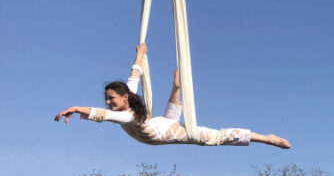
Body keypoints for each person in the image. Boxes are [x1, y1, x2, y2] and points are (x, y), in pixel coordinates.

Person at [55, 43, 291, 149]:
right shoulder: (129, 100)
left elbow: (102, 115)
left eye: (112, 99)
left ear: (124, 98)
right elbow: (134, 75)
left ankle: (267, 138)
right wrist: (140, 54)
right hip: (158, 126)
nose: (108, 102)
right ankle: (176, 88)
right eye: (107, 99)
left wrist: (76, 107)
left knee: (215, 137)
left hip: (165, 131)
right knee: (171, 115)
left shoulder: (126, 117)